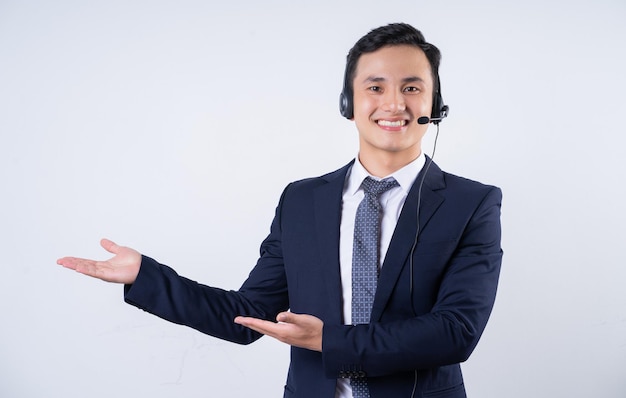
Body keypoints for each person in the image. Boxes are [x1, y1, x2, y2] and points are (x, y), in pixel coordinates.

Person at [57, 23, 502, 398]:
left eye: (412, 87)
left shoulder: (472, 203)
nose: (393, 103)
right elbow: (249, 314)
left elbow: (456, 331)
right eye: (375, 87)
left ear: (434, 104)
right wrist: (146, 276)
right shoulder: (302, 201)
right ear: (349, 103)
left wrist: (329, 341)